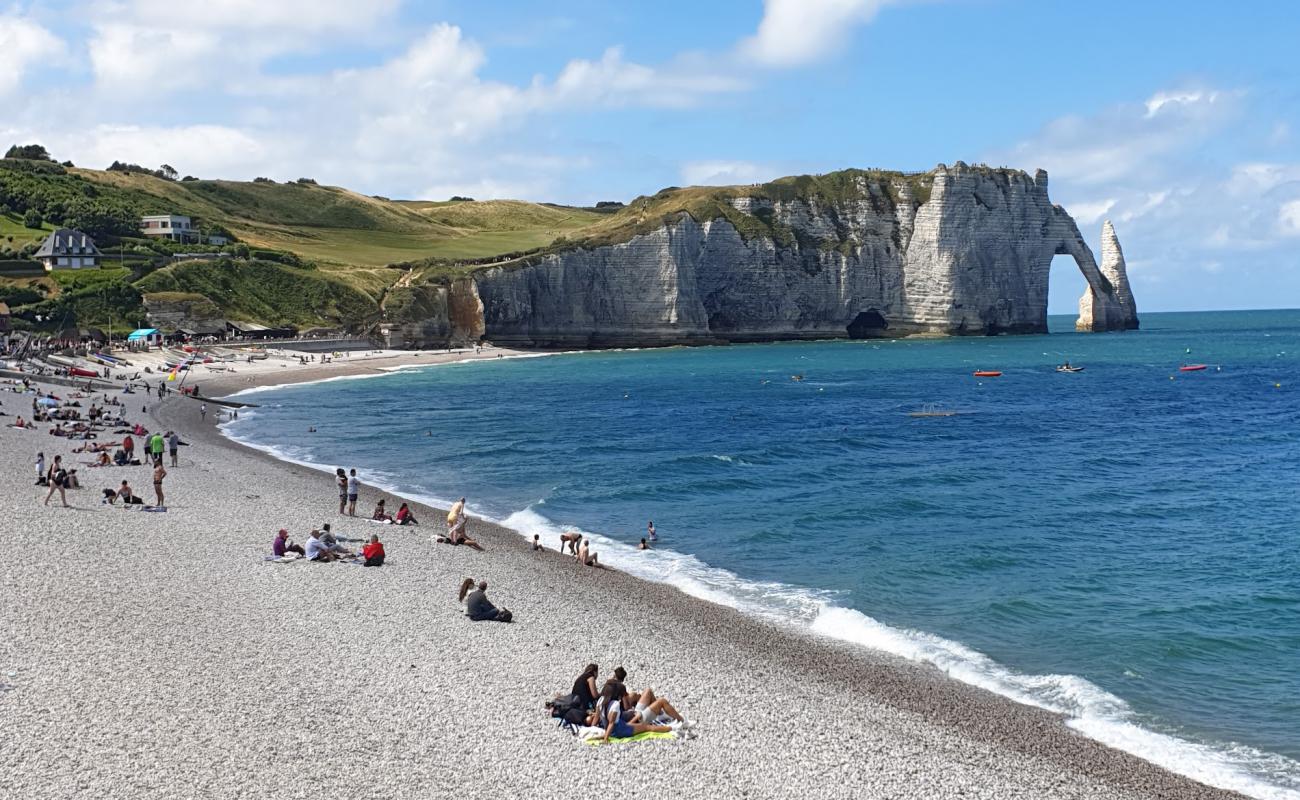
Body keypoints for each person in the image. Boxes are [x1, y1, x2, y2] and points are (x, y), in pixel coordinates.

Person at [596, 678, 672, 742]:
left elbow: (598, 718)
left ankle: (666, 723)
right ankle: (671, 728)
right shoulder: (615, 704)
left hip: (616, 727)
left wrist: (593, 728)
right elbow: (612, 723)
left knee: (645, 726)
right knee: (647, 727)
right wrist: (606, 739)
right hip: (619, 730)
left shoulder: (601, 700)